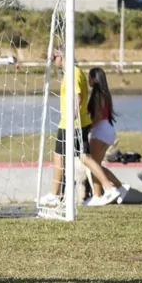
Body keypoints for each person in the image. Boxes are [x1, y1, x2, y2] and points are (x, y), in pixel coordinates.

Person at [39, 50, 92, 206]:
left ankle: (54, 194)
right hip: (71, 122)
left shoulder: (73, 73)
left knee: (62, 158)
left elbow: (78, 96)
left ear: (61, 57)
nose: (54, 60)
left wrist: (72, 116)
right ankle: (59, 193)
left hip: (70, 123)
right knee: (79, 157)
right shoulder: (73, 72)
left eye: (54, 57)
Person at [78, 67, 130, 206]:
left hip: (100, 129)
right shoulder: (104, 93)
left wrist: (88, 126)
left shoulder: (98, 94)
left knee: (93, 164)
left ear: (95, 79)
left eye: (89, 77)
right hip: (106, 129)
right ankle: (109, 191)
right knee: (96, 165)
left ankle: (103, 192)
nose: (88, 80)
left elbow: (98, 115)